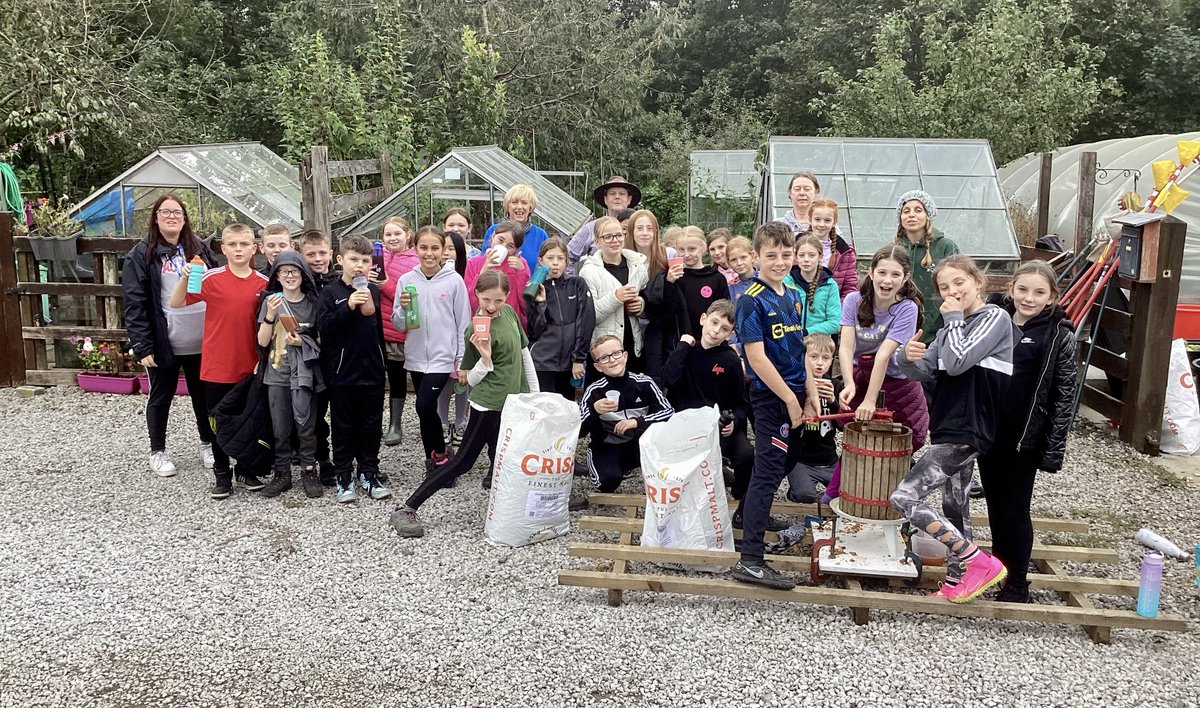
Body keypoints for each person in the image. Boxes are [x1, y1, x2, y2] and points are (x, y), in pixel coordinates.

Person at [892, 254, 1014, 603]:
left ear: (978, 282)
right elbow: (923, 371)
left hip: (970, 426)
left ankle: (979, 562)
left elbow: (959, 363)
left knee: (904, 497)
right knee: (955, 506)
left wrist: (953, 319)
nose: (952, 291)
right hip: (948, 425)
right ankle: (956, 583)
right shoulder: (951, 328)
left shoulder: (995, 318)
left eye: (959, 282)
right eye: (944, 287)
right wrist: (905, 355)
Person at [389, 270, 540, 538]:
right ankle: (408, 506)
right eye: (486, 301)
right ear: (477, 296)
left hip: (515, 400)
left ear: (506, 298)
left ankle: (530, 505)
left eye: (499, 300)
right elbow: (470, 378)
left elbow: (524, 355)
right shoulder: (475, 328)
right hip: (488, 404)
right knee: (462, 462)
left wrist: (535, 395)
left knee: (506, 456)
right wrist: (485, 356)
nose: (492, 307)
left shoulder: (510, 315)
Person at [978, 260, 1076, 603]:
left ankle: (1018, 583)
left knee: (1015, 507)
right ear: (1011, 289)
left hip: (1024, 435)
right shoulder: (993, 320)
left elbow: (1065, 393)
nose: (1029, 298)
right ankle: (1001, 570)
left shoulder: (1057, 333)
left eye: (1038, 292)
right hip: (990, 429)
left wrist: (1053, 445)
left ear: (1051, 297)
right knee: (994, 503)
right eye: (1023, 289)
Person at [729, 222, 818, 590]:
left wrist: (811, 395)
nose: (780, 261)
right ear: (756, 257)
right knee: (768, 471)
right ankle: (751, 558)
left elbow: (801, 351)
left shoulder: (794, 294)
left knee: (787, 459)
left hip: (796, 394)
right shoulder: (751, 299)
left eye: (786, 255)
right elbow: (757, 359)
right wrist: (789, 400)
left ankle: (746, 515)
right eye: (771, 256)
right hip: (771, 398)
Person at [169, 223, 270, 499]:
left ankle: (246, 469)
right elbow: (176, 302)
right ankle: (222, 474)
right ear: (223, 248)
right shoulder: (210, 278)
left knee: (249, 419)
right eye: (232, 245)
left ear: (254, 248)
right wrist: (185, 275)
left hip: (249, 366)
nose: (238, 249)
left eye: (244, 244)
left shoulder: (263, 284)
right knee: (216, 421)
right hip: (216, 366)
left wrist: (263, 360)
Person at [823, 245, 930, 504]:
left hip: (898, 380)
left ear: (905, 278)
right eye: (882, 272)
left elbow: (884, 355)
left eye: (895, 275)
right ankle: (835, 494)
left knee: (905, 438)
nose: (887, 280)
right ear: (871, 272)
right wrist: (848, 383)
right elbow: (846, 347)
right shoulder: (853, 300)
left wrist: (870, 401)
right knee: (856, 435)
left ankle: (895, 499)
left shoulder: (907, 307)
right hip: (862, 373)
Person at [123, 194, 220, 478]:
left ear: (185, 218)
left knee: (203, 395)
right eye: (165, 212)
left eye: (177, 212)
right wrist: (142, 344)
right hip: (165, 340)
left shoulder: (199, 247)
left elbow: (215, 283)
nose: (171, 217)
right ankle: (158, 450)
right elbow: (134, 302)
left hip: (201, 338)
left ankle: (208, 443)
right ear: (155, 217)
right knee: (161, 395)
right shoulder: (140, 254)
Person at [316, 234, 392, 504]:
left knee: (371, 425)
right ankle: (344, 475)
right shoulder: (330, 293)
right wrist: (348, 306)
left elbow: (378, 331)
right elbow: (324, 329)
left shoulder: (373, 290)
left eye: (364, 260)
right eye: (353, 259)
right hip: (341, 373)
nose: (359, 265)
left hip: (371, 371)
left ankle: (369, 472)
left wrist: (381, 361)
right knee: (343, 425)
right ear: (340, 260)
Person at [393, 226, 472, 473]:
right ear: (415, 249)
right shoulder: (406, 281)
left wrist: (461, 360)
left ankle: (442, 457)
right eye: (423, 248)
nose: (429, 254)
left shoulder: (453, 281)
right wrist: (403, 309)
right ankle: (435, 460)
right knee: (425, 410)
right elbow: (399, 324)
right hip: (416, 357)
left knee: (424, 405)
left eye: (435, 248)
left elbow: (463, 323)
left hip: (444, 357)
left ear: (443, 251)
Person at [661, 300, 752, 500]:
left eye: (724, 328)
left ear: (730, 334)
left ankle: (741, 499)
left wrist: (734, 421)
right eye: (714, 322)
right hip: (685, 426)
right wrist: (683, 345)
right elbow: (668, 379)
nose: (716, 331)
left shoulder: (730, 360)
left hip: (717, 426)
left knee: (747, 455)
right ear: (703, 319)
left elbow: (742, 404)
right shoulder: (686, 350)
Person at [255, 250, 323, 499]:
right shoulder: (270, 302)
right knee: (280, 428)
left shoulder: (313, 303)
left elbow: (321, 339)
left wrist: (301, 341)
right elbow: (262, 342)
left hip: (304, 375)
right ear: (277, 276)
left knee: (306, 426)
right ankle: (282, 473)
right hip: (276, 375)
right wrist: (271, 316)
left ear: (303, 274)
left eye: (294, 271)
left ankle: (308, 470)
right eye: (284, 272)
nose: (290, 276)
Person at [580, 335, 674, 494]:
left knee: (669, 472)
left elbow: (668, 412)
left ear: (625, 356)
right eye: (604, 358)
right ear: (598, 366)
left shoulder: (644, 383)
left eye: (616, 353)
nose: (612, 360)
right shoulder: (594, 391)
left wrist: (637, 421)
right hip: (607, 445)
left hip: (639, 443)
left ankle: (626, 465)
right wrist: (594, 410)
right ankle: (605, 464)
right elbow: (578, 430)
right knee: (607, 482)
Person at [578, 216, 649, 375]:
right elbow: (588, 316)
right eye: (607, 237)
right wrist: (615, 298)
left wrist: (641, 306)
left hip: (632, 344)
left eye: (618, 235)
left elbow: (649, 305)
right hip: (604, 350)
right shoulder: (589, 272)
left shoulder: (637, 266)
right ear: (597, 242)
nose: (614, 240)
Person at [527, 237, 595, 398]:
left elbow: (586, 322)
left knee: (565, 410)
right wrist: (540, 304)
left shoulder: (577, 284)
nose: (555, 263)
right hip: (542, 363)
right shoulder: (533, 288)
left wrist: (578, 359)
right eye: (550, 258)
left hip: (569, 364)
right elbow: (534, 331)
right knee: (545, 410)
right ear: (541, 260)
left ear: (566, 262)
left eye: (560, 258)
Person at [376, 216, 419, 447]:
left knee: (396, 377)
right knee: (375, 377)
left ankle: (395, 424)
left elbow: (410, 298)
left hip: (396, 330)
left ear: (407, 235)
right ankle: (376, 422)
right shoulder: (377, 256)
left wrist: (386, 285)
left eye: (397, 234)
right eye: (388, 234)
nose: (392, 238)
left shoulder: (414, 261)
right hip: (375, 329)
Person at [895, 190, 959, 344]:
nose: (911, 215)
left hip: (938, 328)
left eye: (918, 210)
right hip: (901, 326)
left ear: (927, 215)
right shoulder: (895, 249)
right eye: (906, 211)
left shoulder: (945, 247)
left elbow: (957, 283)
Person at [298, 229, 336, 484]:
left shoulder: (337, 282)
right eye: (311, 254)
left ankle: (348, 459)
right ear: (302, 256)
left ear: (331, 253)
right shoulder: (298, 284)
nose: (318, 258)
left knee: (344, 412)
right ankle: (323, 459)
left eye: (322, 253)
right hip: (313, 358)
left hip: (339, 357)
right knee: (317, 412)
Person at [786, 334, 840, 503]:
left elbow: (843, 426)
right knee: (805, 496)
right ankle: (794, 493)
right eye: (814, 357)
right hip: (801, 459)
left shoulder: (836, 385)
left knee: (845, 494)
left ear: (831, 361)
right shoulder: (795, 385)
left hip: (828, 458)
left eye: (825, 358)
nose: (819, 363)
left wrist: (832, 401)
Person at [627, 209, 675, 380]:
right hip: (631, 326)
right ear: (631, 232)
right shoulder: (623, 257)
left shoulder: (668, 255)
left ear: (656, 231)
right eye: (640, 228)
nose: (645, 233)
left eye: (650, 228)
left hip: (659, 325)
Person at [438, 226, 472, 445]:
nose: (448, 253)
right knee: (443, 384)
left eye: (453, 248)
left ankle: (461, 422)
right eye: (445, 248)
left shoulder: (468, 274)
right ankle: (442, 422)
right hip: (442, 341)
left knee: (462, 383)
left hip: (464, 337)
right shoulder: (435, 276)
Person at [466, 219, 530, 328]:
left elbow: (525, 304)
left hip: (510, 325)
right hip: (482, 324)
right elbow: (470, 300)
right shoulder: (474, 263)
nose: (504, 247)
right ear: (493, 236)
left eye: (510, 246)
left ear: (516, 249)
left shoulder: (520, 264)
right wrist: (484, 269)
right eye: (500, 240)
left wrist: (521, 273)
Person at [568, 175, 641, 268]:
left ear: (629, 199)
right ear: (605, 199)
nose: (617, 197)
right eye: (612, 193)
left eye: (622, 193)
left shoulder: (640, 228)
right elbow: (567, 256)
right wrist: (572, 281)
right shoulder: (591, 228)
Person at [671, 226, 729, 340]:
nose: (686, 254)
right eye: (681, 250)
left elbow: (723, 314)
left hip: (708, 342)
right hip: (680, 343)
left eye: (692, 249)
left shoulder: (717, 279)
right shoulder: (674, 277)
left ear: (703, 247)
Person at [785, 234, 841, 337]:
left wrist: (806, 332)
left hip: (819, 346)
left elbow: (834, 323)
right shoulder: (786, 282)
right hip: (791, 342)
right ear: (796, 256)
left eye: (811, 255)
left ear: (820, 256)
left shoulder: (830, 285)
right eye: (801, 255)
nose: (806, 259)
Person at [482, 184, 548, 269]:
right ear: (508, 206)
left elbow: (544, 267)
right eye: (514, 202)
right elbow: (483, 261)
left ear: (530, 208)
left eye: (524, 203)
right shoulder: (494, 230)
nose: (519, 207)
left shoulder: (540, 235)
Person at [807, 199, 858, 299]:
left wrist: (837, 310)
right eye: (817, 219)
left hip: (832, 310)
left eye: (827, 220)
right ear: (810, 220)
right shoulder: (795, 247)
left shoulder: (845, 252)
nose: (821, 224)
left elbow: (849, 287)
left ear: (834, 222)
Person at [724, 236, 756, 306]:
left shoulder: (766, 280)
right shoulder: (730, 287)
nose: (739, 263)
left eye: (743, 257)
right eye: (733, 260)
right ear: (729, 262)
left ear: (753, 256)